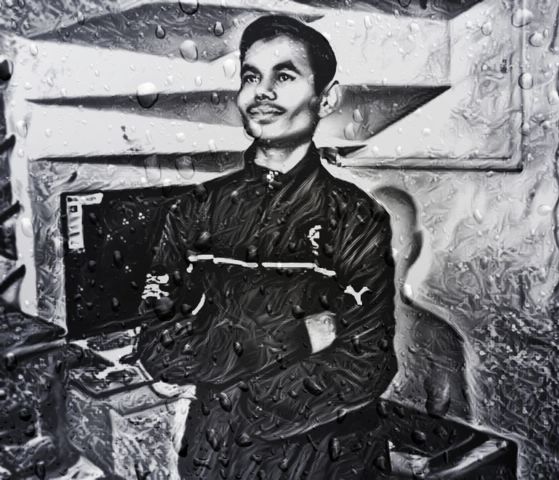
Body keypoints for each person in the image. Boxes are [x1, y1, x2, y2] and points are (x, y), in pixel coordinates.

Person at [133, 14, 397, 479]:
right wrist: (296, 337)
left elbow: (366, 362)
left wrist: (238, 395)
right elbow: (157, 346)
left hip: (327, 459)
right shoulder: (193, 211)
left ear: (326, 98)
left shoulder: (356, 218)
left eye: (285, 76)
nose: (263, 92)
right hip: (214, 458)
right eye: (251, 77)